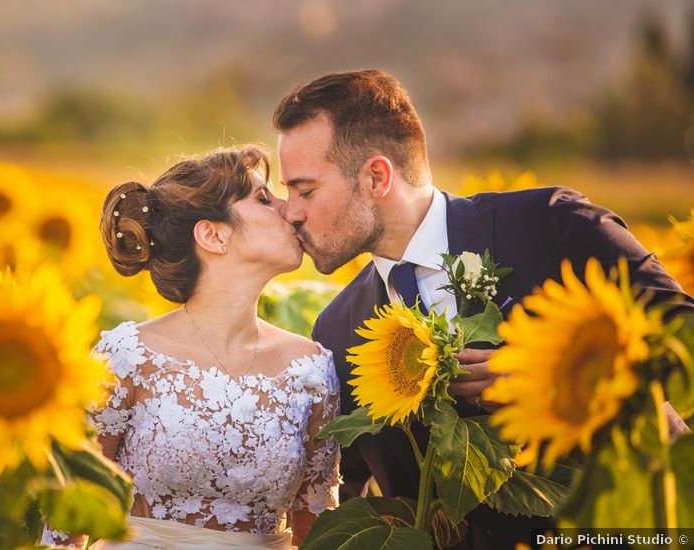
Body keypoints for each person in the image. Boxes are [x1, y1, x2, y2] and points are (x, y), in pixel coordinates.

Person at [272, 69, 694, 549]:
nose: (291, 211)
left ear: (376, 177)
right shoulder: (338, 329)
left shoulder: (552, 226)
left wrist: (554, 381)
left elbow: (686, 339)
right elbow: (340, 494)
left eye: (305, 191)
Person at [41, 145, 340, 549]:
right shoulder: (130, 356)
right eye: (264, 199)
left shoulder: (311, 369)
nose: (291, 210)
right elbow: (65, 518)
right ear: (214, 235)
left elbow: (317, 531)